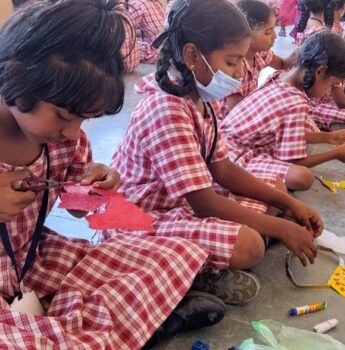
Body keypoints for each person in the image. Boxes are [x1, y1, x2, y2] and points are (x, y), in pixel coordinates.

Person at [0, 1, 222, 348]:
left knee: (172, 254)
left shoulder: (66, 142)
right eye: (62, 116)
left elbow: (72, 217)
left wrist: (94, 192)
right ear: (14, 77)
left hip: (41, 259)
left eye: (84, 120)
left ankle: (65, 331)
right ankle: (113, 329)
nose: (73, 134)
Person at [100, 0, 324, 303]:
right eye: (232, 61)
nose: (241, 70)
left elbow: (223, 169)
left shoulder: (203, 99)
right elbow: (204, 202)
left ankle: (206, 258)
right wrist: (281, 226)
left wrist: (287, 204)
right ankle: (193, 273)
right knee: (250, 246)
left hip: (180, 203)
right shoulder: (165, 109)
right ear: (193, 56)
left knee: (275, 187)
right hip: (138, 217)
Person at [221, 31, 345, 189]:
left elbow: (285, 131)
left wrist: (329, 138)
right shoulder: (295, 103)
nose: (329, 92)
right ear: (320, 71)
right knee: (302, 177)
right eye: (331, 84)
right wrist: (335, 154)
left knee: (303, 138)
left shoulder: (279, 76)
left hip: (231, 142)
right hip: (233, 155)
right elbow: (293, 163)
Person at [222, 0, 296, 116]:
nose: (275, 36)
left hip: (250, 112)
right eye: (268, 32)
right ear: (247, 35)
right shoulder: (234, 66)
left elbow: (282, 64)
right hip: (233, 122)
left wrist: (300, 52)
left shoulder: (259, 54)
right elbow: (236, 111)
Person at [125, 0, 165, 64]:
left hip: (155, 52)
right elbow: (152, 30)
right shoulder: (156, 3)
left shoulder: (137, 4)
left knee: (122, 45)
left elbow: (121, 30)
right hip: (166, 48)